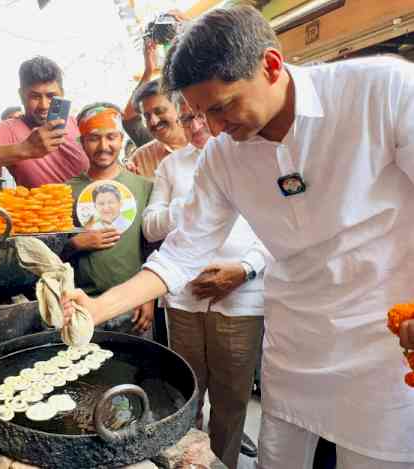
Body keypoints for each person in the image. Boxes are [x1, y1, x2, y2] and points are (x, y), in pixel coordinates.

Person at [65, 5, 414, 468]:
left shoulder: (381, 91)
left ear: (271, 65)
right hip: (295, 340)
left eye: (222, 107)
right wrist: (99, 307)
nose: (211, 129)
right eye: (199, 113)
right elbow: (181, 254)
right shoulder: (223, 158)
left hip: (385, 341)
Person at [142, 90, 267, 468]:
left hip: (242, 295)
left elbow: (276, 228)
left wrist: (244, 269)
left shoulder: (252, 156)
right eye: (186, 118)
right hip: (184, 296)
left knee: (231, 399)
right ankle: (187, 463)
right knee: (185, 392)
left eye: (202, 115)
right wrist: (196, 203)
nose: (196, 126)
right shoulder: (172, 166)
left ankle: (223, 463)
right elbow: (150, 226)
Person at [61, 103, 154, 336]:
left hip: (133, 306)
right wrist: (75, 244)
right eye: (93, 138)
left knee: (135, 370)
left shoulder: (144, 187)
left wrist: (151, 296)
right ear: (82, 142)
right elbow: (51, 256)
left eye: (111, 137)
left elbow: (154, 248)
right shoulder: (65, 192)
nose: (104, 146)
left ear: (121, 139)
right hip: (81, 306)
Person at [0, 56, 88, 188]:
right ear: (21, 95)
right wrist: (25, 149)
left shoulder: (79, 124)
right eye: (34, 96)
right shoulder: (9, 129)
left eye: (51, 96)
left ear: (62, 94)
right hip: (41, 209)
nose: (44, 105)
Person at [126, 79, 188, 179]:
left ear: (179, 108)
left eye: (159, 111)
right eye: (147, 116)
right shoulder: (141, 159)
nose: (153, 121)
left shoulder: (206, 141)